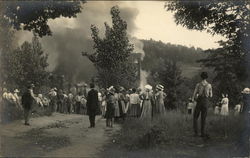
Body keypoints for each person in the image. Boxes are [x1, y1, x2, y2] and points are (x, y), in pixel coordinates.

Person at [192, 72, 212, 137]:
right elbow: (211, 95)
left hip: (199, 100)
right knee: (203, 118)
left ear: (201, 77)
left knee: (195, 116)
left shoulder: (198, 84)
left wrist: (193, 98)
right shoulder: (209, 85)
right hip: (205, 101)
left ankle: (196, 133)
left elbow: (194, 93)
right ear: (206, 77)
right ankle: (202, 133)